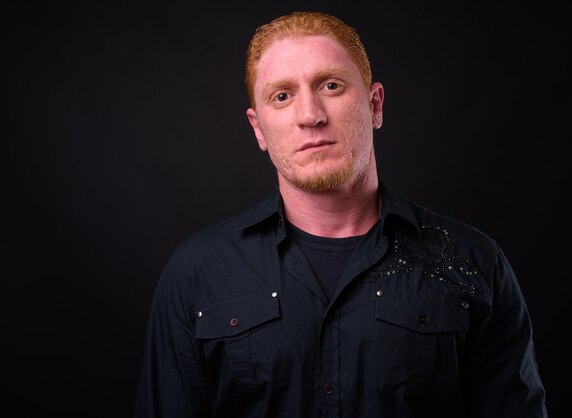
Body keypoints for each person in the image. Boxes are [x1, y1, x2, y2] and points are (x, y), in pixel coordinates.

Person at [134, 11, 548, 418]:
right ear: (259, 129)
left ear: (375, 104)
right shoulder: (197, 272)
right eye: (282, 96)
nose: (310, 115)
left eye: (330, 85)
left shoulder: (474, 262)